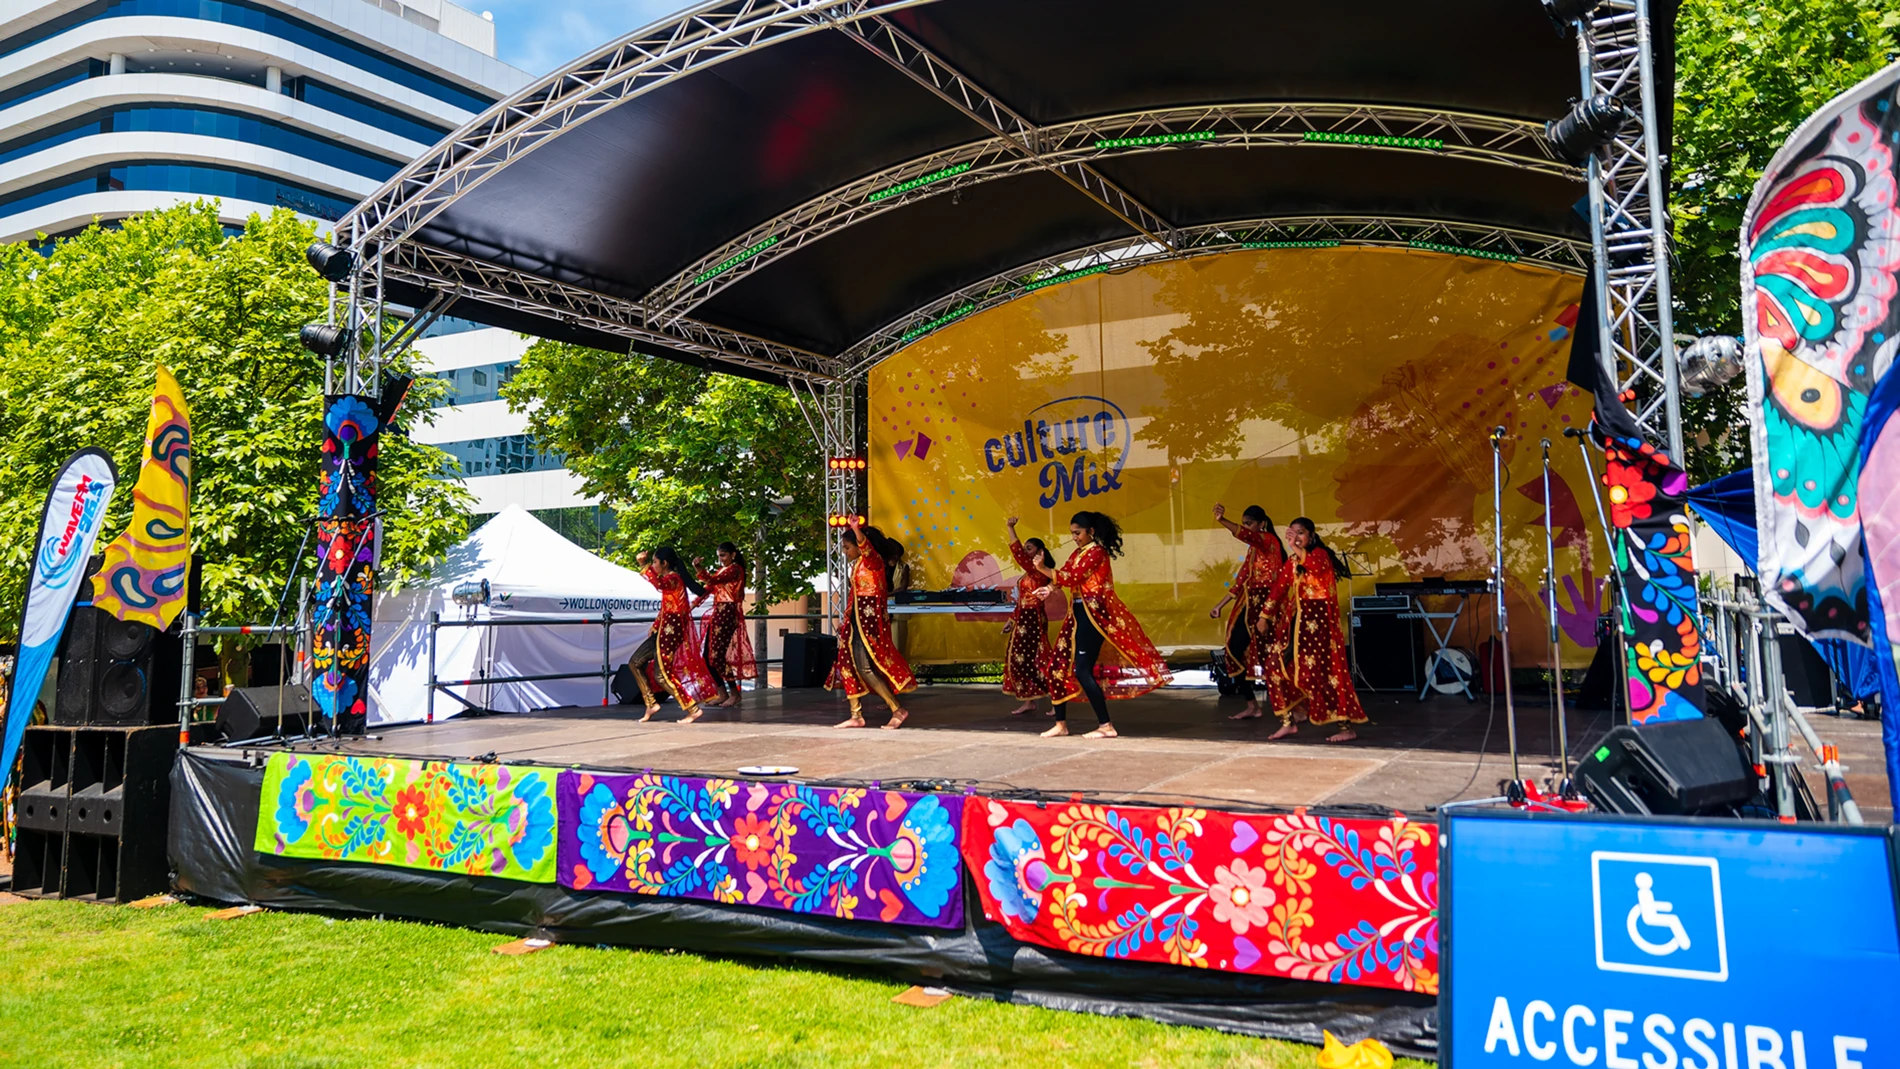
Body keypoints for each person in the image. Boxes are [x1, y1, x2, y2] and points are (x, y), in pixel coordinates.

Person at [1031, 510, 1171, 738]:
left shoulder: (1096, 552)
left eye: (1077, 533)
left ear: (1091, 532)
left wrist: (1044, 570)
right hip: (1076, 614)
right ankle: (1060, 724)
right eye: (1072, 533)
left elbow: (1074, 576)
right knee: (1055, 666)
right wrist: (1049, 587)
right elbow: (1066, 574)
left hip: (1093, 616)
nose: (1074, 537)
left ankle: (1106, 726)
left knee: (1083, 670)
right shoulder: (1078, 553)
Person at [1264, 518, 1366, 742]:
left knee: (1322, 676)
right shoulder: (1292, 561)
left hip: (1319, 629)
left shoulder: (1320, 555)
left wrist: (1294, 546)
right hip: (1295, 626)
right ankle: (1287, 722)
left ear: (1311, 535)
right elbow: (1279, 588)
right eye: (1293, 533)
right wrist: (1264, 615)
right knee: (1273, 665)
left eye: (1301, 534)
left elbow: (1314, 567)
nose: (1297, 538)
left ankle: (1345, 727)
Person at [828, 519, 917, 729]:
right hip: (856, 621)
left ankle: (897, 709)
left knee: (866, 668)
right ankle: (856, 714)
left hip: (868, 624)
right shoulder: (858, 565)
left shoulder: (873, 560)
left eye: (848, 547)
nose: (845, 552)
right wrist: (846, 620)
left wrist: (857, 530)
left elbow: (866, 548)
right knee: (848, 664)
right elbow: (854, 596)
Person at [1210, 503, 1294, 721]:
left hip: (1270, 606)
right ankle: (1252, 705)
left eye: (1249, 524)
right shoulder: (1253, 549)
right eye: (1244, 524)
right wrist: (1221, 604)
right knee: (1234, 650)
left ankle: (1297, 706)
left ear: (1261, 524)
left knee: (1275, 656)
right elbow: (1241, 580)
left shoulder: (1268, 540)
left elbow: (1246, 536)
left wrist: (1223, 521)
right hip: (1251, 607)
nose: (1246, 528)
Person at [631, 547, 720, 722]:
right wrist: (656, 624)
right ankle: (651, 703)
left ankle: (693, 709)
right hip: (663, 630)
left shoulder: (673, 579)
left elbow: (659, 584)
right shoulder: (670, 581)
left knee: (662, 675)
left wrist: (643, 564)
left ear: (665, 564)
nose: (654, 565)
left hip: (670, 632)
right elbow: (667, 606)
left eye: (655, 562)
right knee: (635, 662)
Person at [1002, 516, 1058, 716]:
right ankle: (1029, 700)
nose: (1025, 552)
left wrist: (1010, 528)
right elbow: (1021, 601)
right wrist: (1011, 619)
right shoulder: (1028, 575)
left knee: (1040, 659)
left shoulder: (1041, 573)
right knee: (1020, 659)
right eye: (1025, 548)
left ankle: (1056, 701)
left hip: (1034, 619)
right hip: (1023, 618)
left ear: (1040, 553)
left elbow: (1018, 555)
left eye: (1030, 549)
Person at [694, 542, 756, 708]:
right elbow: (709, 588)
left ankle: (734, 694)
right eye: (719, 556)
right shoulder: (723, 570)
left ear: (733, 555)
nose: (721, 559)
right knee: (708, 655)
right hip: (719, 613)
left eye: (723, 555)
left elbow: (713, 580)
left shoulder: (735, 570)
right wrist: (693, 604)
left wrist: (699, 569)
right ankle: (722, 693)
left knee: (717, 656)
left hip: (728, 613)